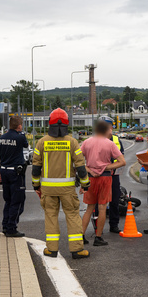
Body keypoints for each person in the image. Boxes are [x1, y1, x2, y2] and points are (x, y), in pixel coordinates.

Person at [31, 109, 90, 259]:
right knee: (73, 216)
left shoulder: (41, 142)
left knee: (50, 216)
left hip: (48, 190)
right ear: (66, 124)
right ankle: (77, 250)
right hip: (67, 189)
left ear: (49, 123)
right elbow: (81, 167)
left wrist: (36, 186)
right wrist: (85, 184)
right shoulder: (72, 142)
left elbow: (36, 167)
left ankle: (51, 249)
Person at [79, 120, 126, 246]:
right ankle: (98, 237)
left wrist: (89, 169)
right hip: (105, 177)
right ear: (105, 130)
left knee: (89, 208)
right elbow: (122, 161)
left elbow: (77, 161)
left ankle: (81, 236)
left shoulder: (86, 142)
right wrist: (106, 167)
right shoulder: (110, 144)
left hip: (90, 178)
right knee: (102, 208)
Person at [0, 116, 28, 238]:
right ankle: (11, 228)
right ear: (19, 126)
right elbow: (26, 145)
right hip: (16, 173)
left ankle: (5, 225)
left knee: (8, 200)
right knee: (17, 201)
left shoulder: (1, 138)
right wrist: (22, 134)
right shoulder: (20, 137)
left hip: (4, 171)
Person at [101, 117, 125, 234]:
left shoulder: (116, 139)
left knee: (115, 200)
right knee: (99, 201)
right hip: (100, 175)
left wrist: (115, 166)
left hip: (114, 175)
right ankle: (97, 227)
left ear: (111, 127)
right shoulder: (96, 139)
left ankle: (114, 225)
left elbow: (122, 155)